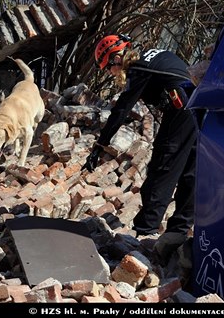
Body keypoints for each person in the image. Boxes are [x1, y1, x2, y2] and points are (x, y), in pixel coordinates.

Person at [82, 34, 197, 266]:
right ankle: (178, 231)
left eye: (108, 69)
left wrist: (98, 145)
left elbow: (121, 109)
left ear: (116, 59)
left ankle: (144, 235)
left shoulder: (138, 68)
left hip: (181, 107)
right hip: (198, 105)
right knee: (190, 172)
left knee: (162, 165)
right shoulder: (151, 55)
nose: (110, 74)